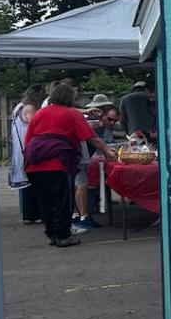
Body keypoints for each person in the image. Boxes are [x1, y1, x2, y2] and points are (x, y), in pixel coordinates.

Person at [24, 82, 116, 247]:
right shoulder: (71, 114)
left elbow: (28, 140)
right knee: (61, 200)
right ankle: (63, 236)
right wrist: (107, 151)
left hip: (34, 163)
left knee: (45, 202)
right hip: (57, 162)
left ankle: (52, 234)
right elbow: (90, 136)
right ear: (70, 98)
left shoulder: (40, 113)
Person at [8, 84, 46, 224]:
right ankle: (33, 214)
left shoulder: (19, 106)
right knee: (32, 182)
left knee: (28, 182)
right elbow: (35, 123)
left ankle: (29, 214)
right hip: (28, 147)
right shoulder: (29, 108)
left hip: (20, 147)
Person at [120, 78, 157, 143]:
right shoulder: (152, 98)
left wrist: (128, 133)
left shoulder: (124, 99)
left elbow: (122, 120)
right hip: (152, 136)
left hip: (134, 136)